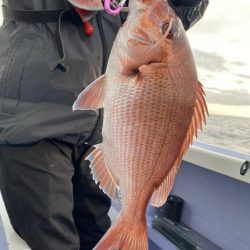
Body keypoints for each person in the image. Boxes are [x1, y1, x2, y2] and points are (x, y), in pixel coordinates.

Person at [0, 0, 209, 249]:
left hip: (98, 132)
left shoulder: (152, 30)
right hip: (34, 118)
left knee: (95, 233)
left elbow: (174, 15)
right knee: (51, 240)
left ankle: (131, 221)